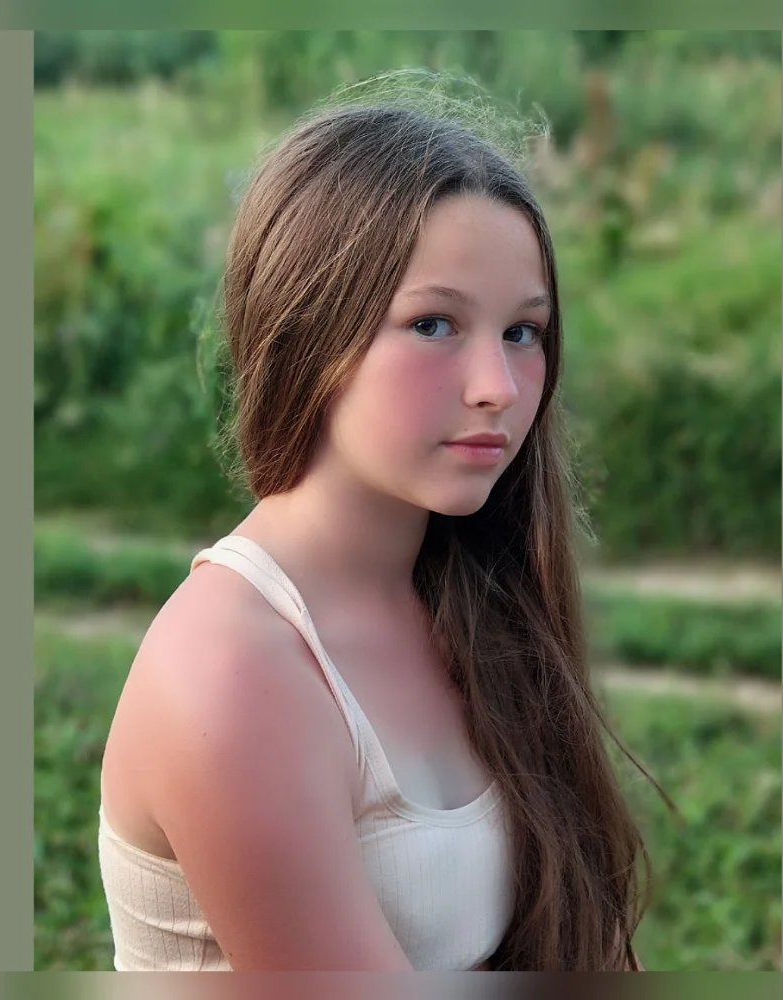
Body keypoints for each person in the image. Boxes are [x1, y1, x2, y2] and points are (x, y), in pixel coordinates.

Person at [97, 96, 651, 972]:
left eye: (523, 331)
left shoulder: (474, 592)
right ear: (307, 330)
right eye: (433, 324)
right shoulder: (234, 670)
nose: (500, 386)